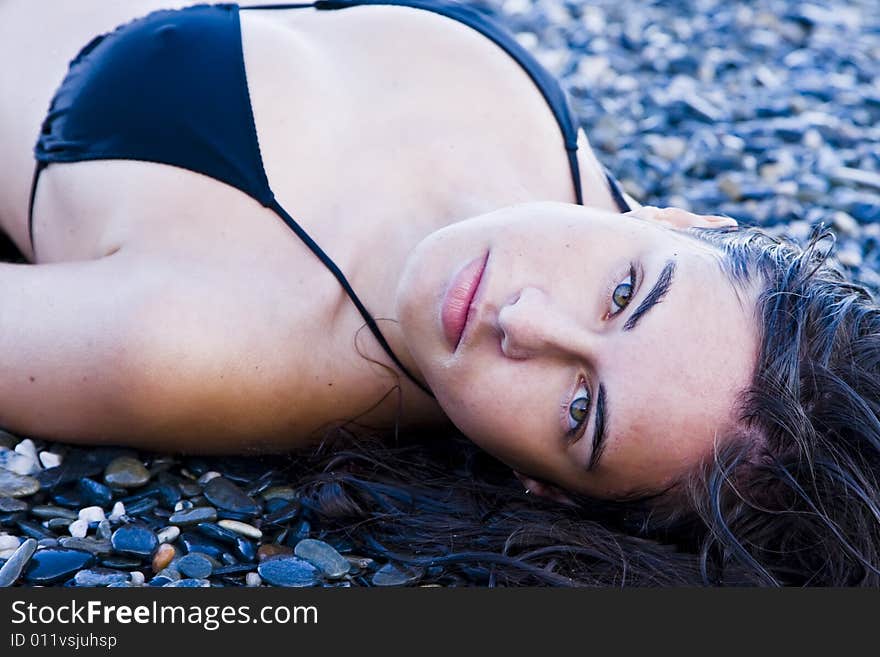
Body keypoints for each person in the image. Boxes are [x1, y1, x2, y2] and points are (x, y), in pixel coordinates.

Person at [0, 0, 878, 585]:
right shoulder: (584, 199)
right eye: (622, 292)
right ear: (687, 223)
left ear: (549, 492)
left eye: (578, 409)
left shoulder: (203, 347)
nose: (522, 318)